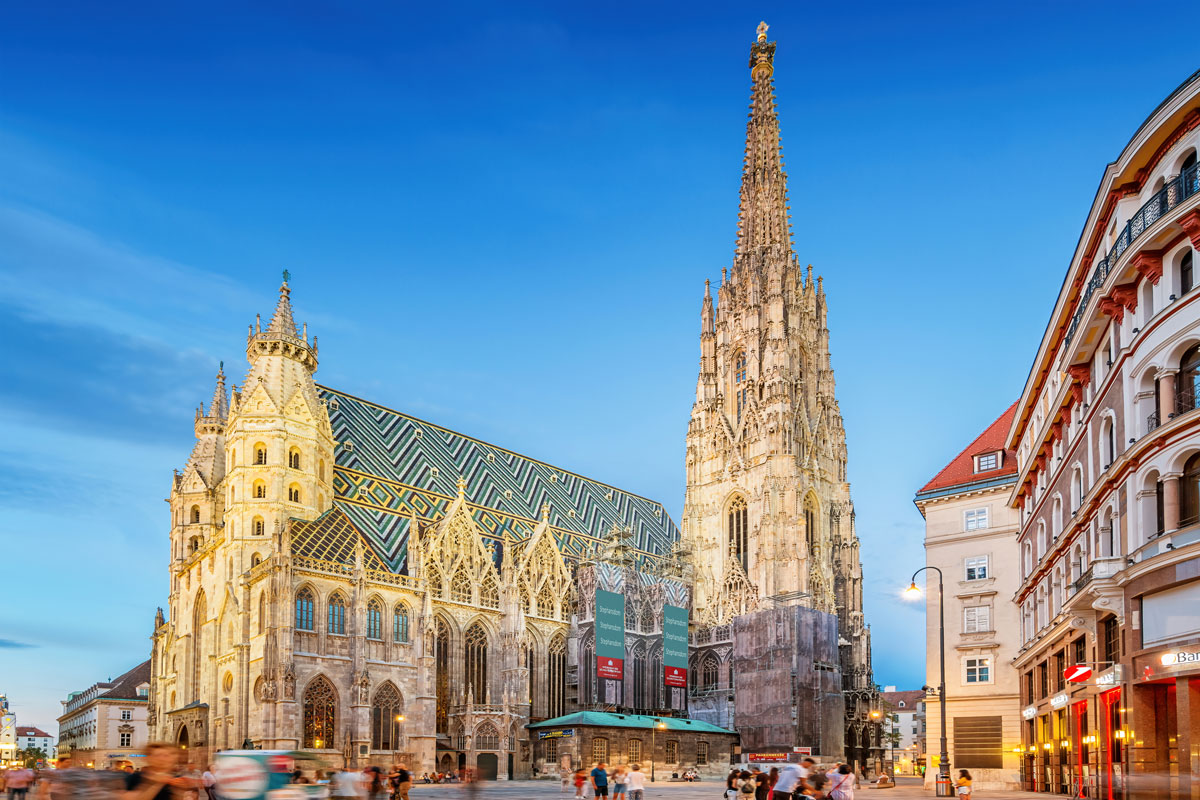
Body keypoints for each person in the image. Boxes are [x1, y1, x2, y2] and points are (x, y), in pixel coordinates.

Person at [119, 744, 196, 800]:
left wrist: (181, 793)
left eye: (167, 755)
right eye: (158, 755)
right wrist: (156, 784)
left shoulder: (176, 780)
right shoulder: (134, 778)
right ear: (148, 758)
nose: (162, 759)